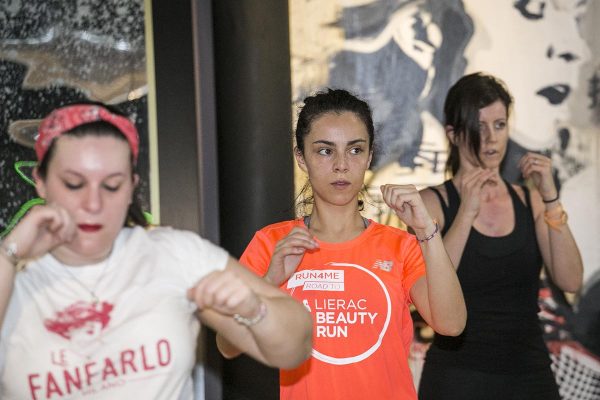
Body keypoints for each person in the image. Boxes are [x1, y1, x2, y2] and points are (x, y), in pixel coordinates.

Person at [0, 104, 313, 399]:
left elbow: (295, 347)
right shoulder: (13, 277)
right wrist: (9, 254)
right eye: (73, 184)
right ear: (40, 182)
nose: (93, 204)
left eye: (111, 186)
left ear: (132, 188)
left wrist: (252, 308)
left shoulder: (171, 253)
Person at [217, 88, 467, 399]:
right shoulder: (273, 243)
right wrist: (269, 282)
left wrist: (426, 229)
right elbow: (226, 345)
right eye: (324, 150)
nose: (341, 165)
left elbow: (452, 325)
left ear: (369, 156)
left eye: (355, 150)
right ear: (301, 158)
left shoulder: (399, 245)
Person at [417, 72, 584, 400]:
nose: (491, 138)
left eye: (500, 124)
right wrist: (466, 211)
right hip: (456, 377)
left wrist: (550, 198)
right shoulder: (430, 204)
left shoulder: (529, 200)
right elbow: (430, 291)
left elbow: (571, 280)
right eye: (480, 125)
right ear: (453, 133)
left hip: (528, 372)